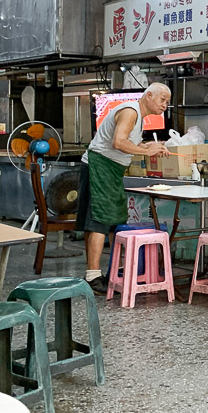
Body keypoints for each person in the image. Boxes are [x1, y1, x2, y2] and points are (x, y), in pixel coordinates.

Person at [77, 84, 172, 294]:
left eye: (167, 101)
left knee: (115, 218)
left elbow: (127, 143)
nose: (165, 105)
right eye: (162, 99)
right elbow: (119, 142)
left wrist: (151, 147)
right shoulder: (131, 111)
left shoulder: (139, 117)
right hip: (100, 166)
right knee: (99, 219)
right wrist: (146, 152)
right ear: (149, 96)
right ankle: (93, 277)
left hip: (111, 169)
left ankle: (114, 271)